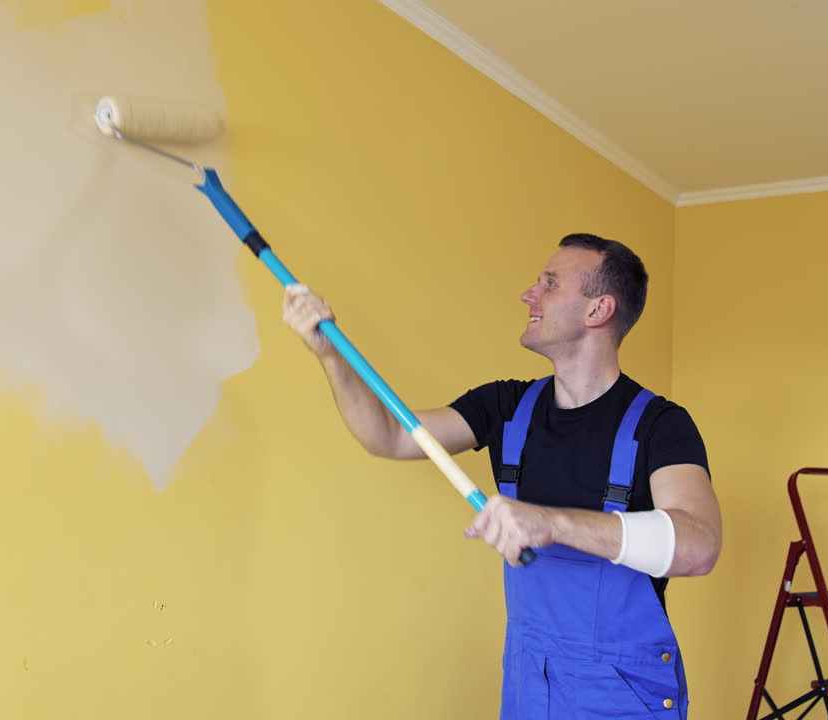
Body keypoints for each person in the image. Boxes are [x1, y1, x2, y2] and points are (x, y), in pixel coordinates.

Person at [283, 233, 721, 719]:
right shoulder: (506, 407)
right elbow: (389, 435)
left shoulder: (661, 425)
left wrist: (551, 524)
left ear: (598, 310)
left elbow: (698, 546)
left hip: (622, 696)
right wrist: (331, 357)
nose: (528, 294)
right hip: (531, 684)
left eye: (549, 284)